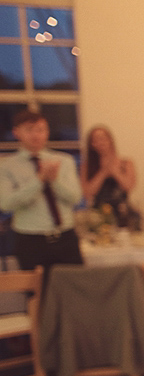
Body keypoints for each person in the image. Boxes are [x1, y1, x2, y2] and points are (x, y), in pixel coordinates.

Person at [0, 109, 83, 275]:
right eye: (29, 130)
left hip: (65, 237)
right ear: (17, 132)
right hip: (30, 240)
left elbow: (75, 198)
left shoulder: (63, 161)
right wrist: (39, 180)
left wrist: (54, 181)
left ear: (47, 132)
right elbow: (6, 204)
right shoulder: (6, 166)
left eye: (40, 129)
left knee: (75, 290)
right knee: (37, 295)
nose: (36, 135)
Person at [81, 125, 141, 230]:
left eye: (103, 138)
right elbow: (87, 193)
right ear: (92, 144)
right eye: (95, 140)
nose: (100, 142)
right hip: (98, 215)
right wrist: (103, 172)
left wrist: (115, 171)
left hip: (123, 212)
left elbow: (129, 186)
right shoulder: (87, 166)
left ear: (110, 140)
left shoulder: (126, 163)